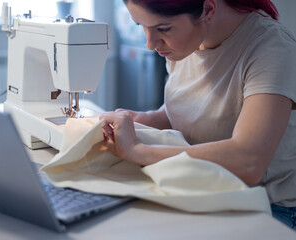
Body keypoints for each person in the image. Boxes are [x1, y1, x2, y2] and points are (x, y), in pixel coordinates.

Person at [100, 0, 296, 230]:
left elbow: (249, 162)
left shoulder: (272, 48)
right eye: (141, 26)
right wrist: (143, 120)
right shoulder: (185, 43)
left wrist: (135, 150)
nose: (150, 43)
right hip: (207, 190)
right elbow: (191, 108)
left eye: (163, 29)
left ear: (208, 9)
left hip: (267, 208)